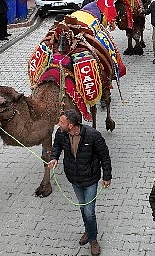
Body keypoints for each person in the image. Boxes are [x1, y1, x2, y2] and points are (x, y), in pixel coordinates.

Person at [47, 110, 112, 256]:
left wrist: (106, 177)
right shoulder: (61, 133)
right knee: (83, 208)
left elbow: (105, 157)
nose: (59, 124)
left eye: (61, 122)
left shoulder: (93, 135)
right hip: (74, 179)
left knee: (89, 212)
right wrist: (55, 158)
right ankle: (88, 231)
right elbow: (56, 146)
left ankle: (93, 240)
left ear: (71, 125)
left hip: (90, 179)